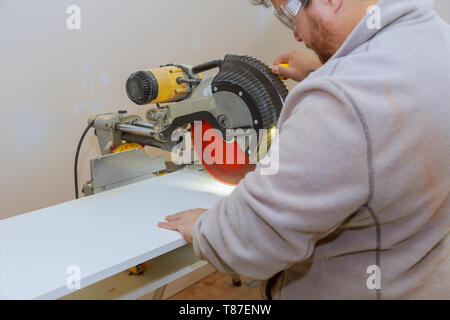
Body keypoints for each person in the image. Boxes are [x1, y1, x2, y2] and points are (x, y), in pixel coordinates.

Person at [158, 0, 450, 299]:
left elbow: (251, 242)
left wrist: (207, 228)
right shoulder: (435, 37)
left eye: (289, 14)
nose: (297, 35)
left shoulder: (341, 100)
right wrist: (320, 69)